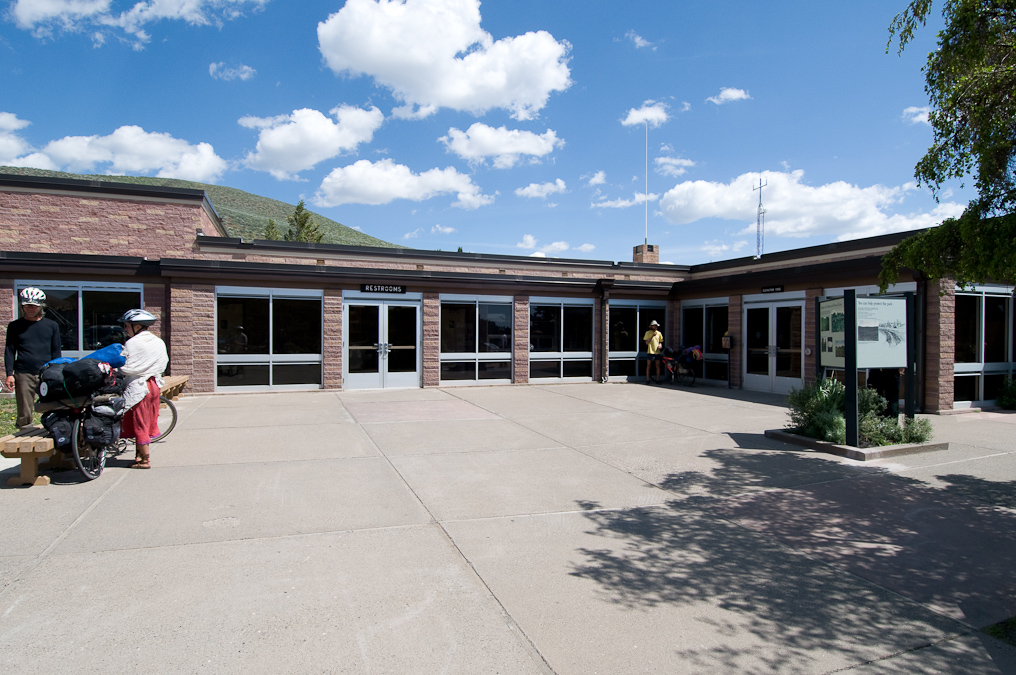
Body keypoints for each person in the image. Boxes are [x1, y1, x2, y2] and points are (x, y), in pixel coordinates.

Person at [118, 309, 168, 469]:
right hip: (154, 385)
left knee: (139, 422)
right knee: (147, 421)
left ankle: (145, 460)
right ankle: (139, 456)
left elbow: (126, 367)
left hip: (139, 387)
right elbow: (163, 362)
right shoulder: (158, 342)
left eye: (127, 326)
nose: (125, 329)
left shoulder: (133, 343)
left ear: (137, 326)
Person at [4, 287, 61, 429]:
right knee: (24, 410)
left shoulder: (51, 326)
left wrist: (57, 371)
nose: (30, 309)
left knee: (52, 405)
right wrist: (9, 374)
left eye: (34, 306)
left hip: (46, 372)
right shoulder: (15, 326)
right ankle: (24, 432)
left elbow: (56, 351)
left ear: (41, 306)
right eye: (27, 306)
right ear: (22, 306)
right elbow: (10, 351)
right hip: (23, 372)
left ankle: (53, 430)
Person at [643, 319, 664, 384]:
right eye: (654, 325)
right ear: (651, 326)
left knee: (658, 365)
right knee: (648, 366)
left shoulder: (659, 333)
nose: (655, 327)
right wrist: (652, 336)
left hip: (657, 352)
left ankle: (658, 379)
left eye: (656, 326)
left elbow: (660, 341)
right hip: (650, 352)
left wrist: (660, 345)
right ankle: (648, 379)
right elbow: (646, 342)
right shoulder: (648, 333)